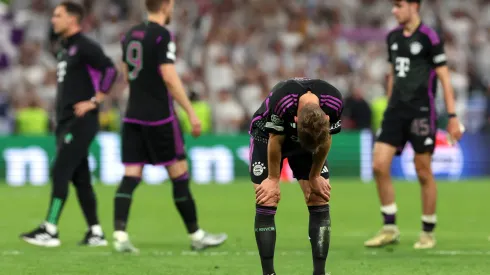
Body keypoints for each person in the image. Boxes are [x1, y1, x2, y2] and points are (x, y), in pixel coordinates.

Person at [113, 0, 227, 253]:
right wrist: (190, 112)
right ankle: (196, 235)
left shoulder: (130, 34)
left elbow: (126, 72)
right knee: (179, 175)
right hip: (160, 118)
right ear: (165, 5)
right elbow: (169, 76)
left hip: (132, 116)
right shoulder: (162, 35)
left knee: (131, 175)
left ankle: (120, 235)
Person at [364, 0, 463, 250]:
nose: (393, 11)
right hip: (395, 111)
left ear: (414, 6)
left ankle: (427, 231)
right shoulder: (393, 37)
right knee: (378, 165)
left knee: (422, 171)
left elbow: (444, 77)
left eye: (398, 6)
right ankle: (389, 227)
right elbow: (393, 73)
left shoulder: (430, 37)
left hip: (421, 112)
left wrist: (452, 117)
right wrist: (388, 104)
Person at [21, 1, 117, 247]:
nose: (53, 19)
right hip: (65, 121)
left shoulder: (84, 46)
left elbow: (110, 70)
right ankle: (95, 232)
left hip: (80, 121)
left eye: (58, 15)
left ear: (72, 19)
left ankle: (50, 229)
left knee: (61, 169)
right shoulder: (65, 48)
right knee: (80, 177)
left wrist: (95, 101)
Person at [249, 78, 343, 275]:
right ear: (296, 119)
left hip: (310, 137)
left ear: (326, 118)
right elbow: (276, 140)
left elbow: (325, 140)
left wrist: (315, 174)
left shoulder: (334, 103)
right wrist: (273, 179)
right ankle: (268, 273)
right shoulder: (283, 101)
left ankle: (319, 272)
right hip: (266, 137)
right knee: (268, 198)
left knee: (318, 196)